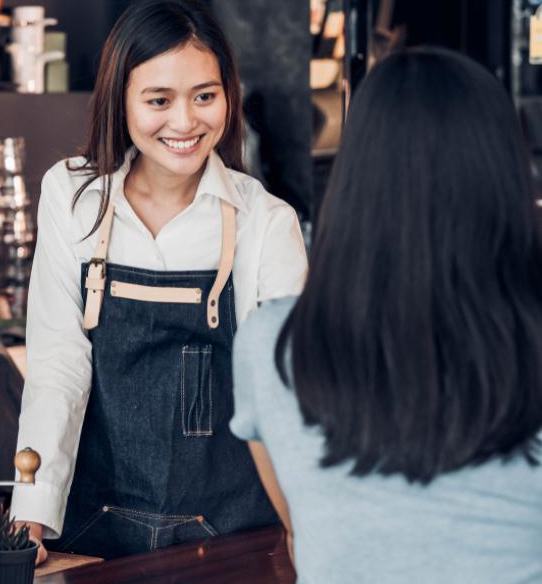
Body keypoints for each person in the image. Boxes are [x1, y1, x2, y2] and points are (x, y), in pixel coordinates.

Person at [11, 0, 308, 563]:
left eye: (205, 96)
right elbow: (58, 367)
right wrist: (34, 510)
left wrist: (308, 527)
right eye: (158, 99)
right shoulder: (71, 196)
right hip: (90, 533)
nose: (185, 121)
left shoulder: (266, 223)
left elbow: (285, 396)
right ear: (119, 99)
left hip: (233, 538)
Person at [231, 47, 542, 583]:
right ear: (507, 175)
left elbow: (301, 527)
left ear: (354, 178)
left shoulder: (270, 345)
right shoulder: (528, 344)